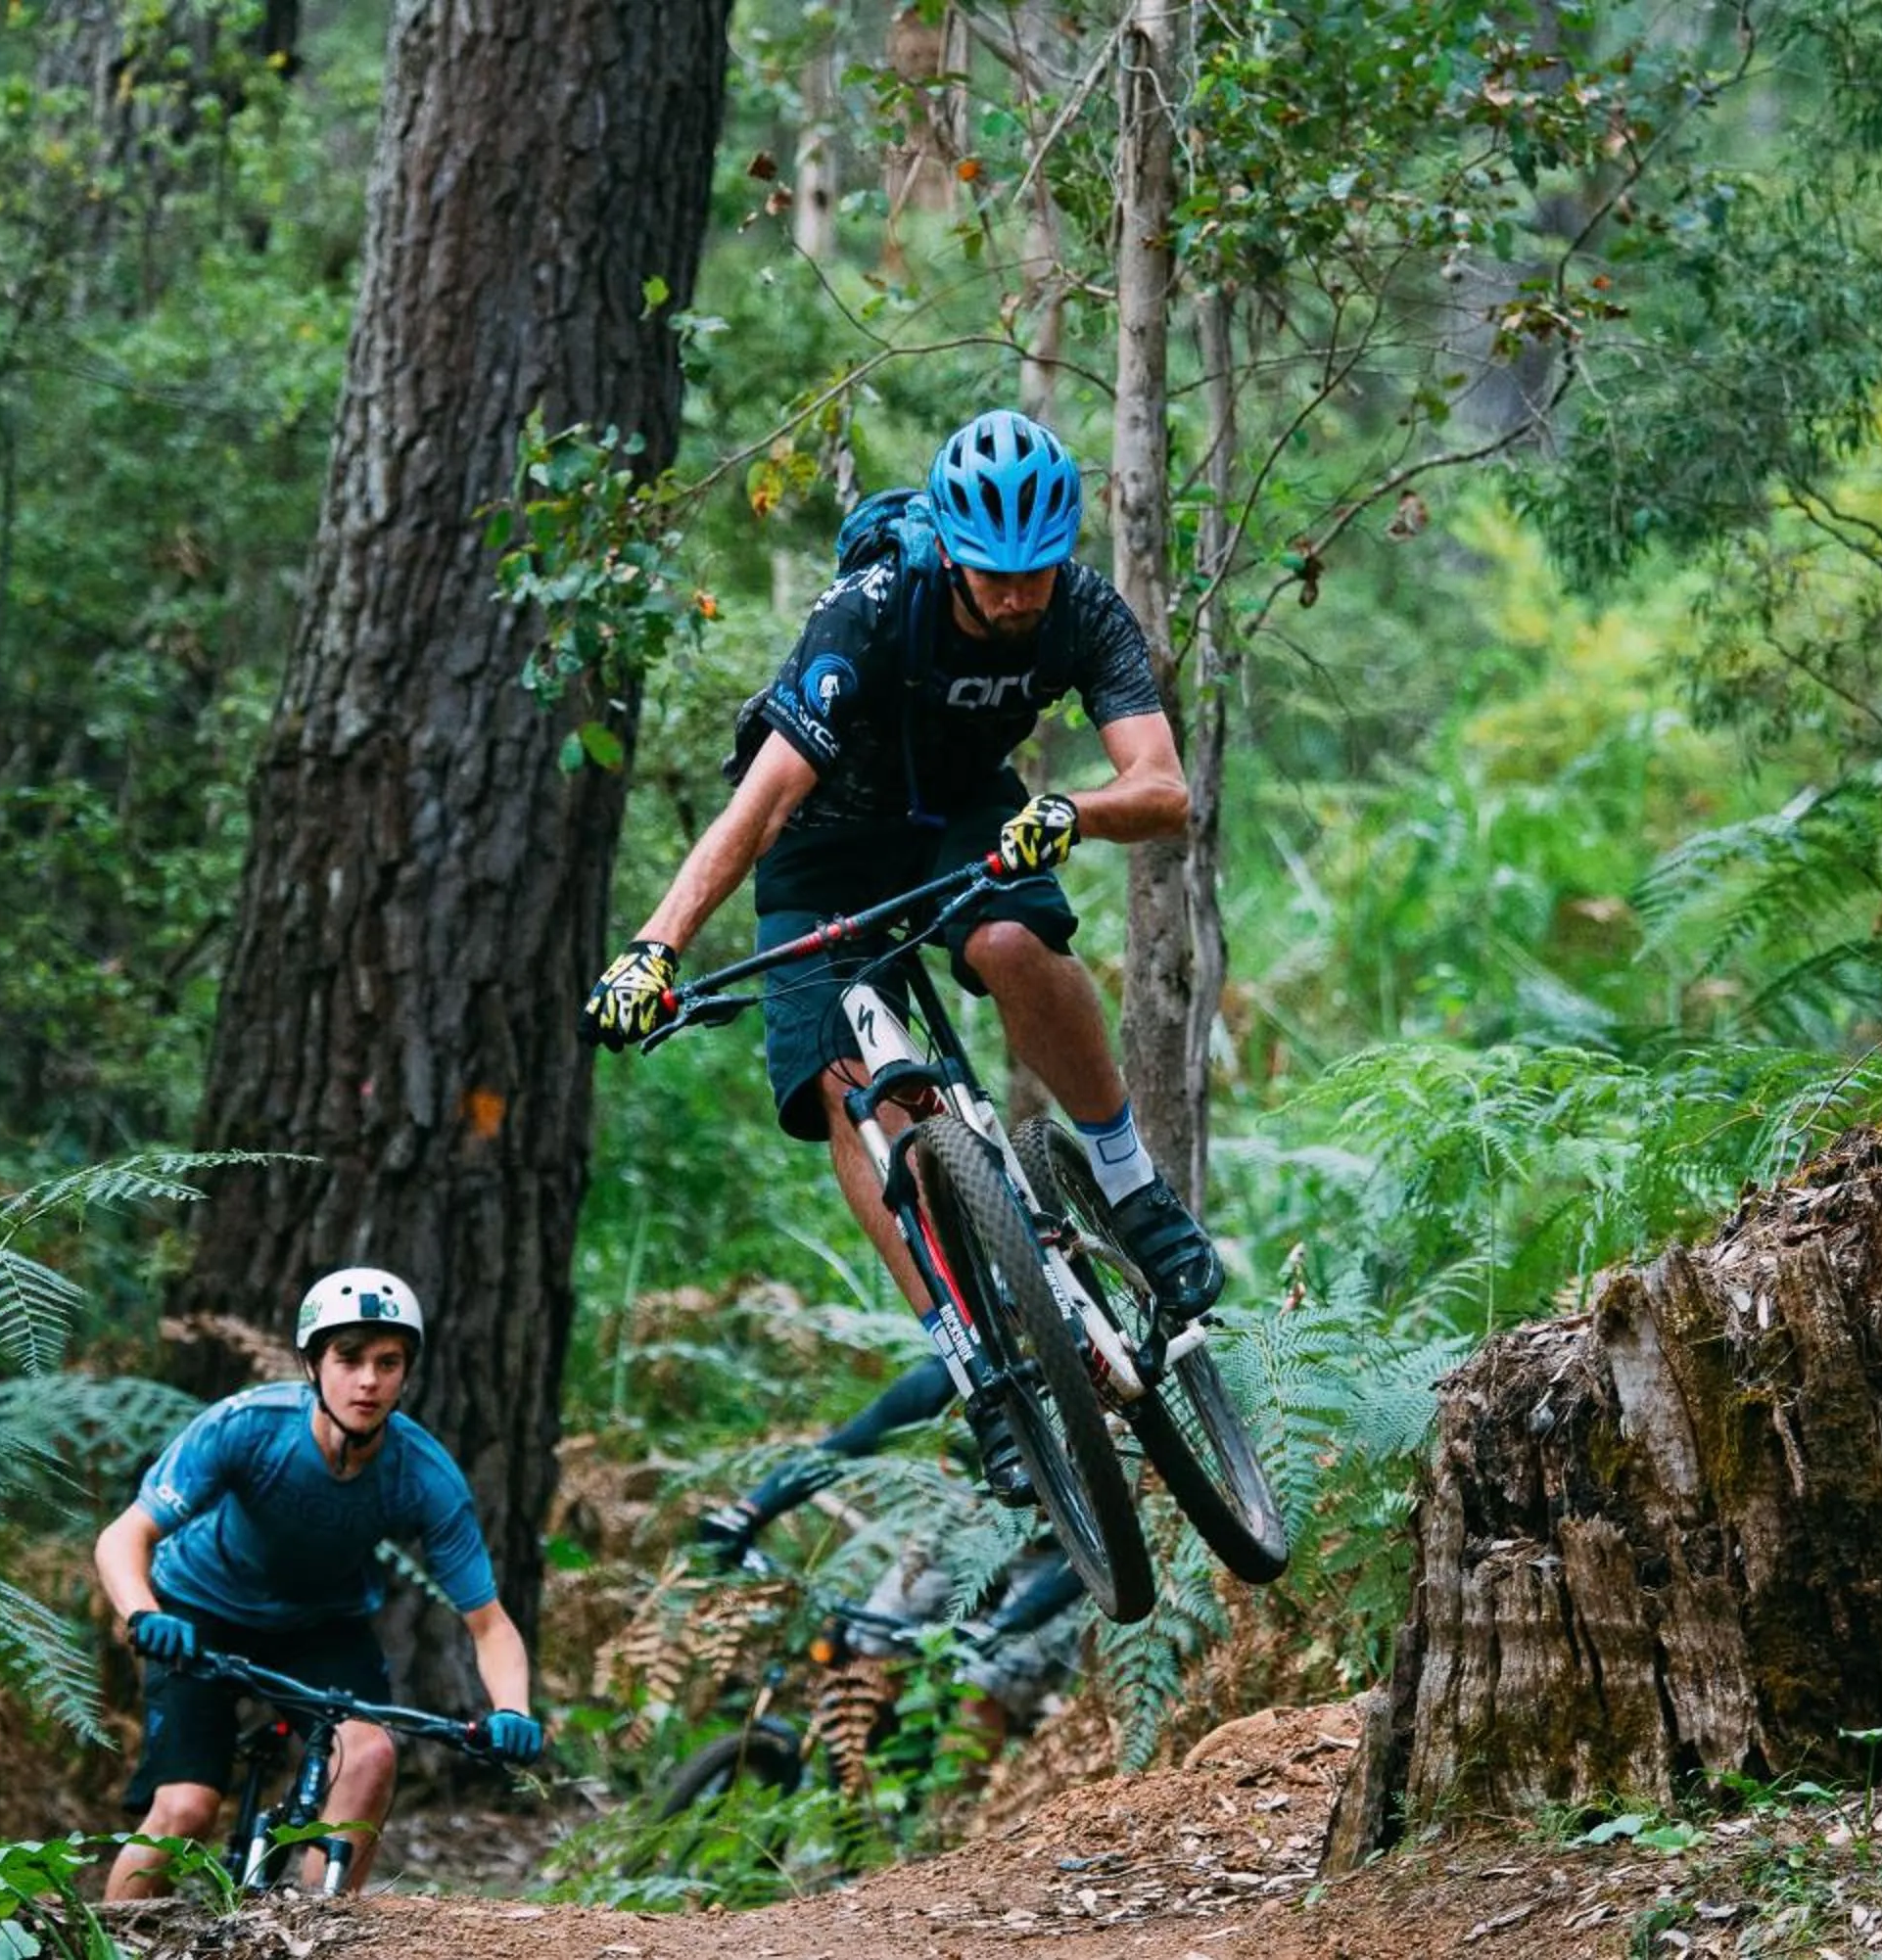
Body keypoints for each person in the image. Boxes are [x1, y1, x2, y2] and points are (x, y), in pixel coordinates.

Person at [582, 408, 1222, 1506]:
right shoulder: (872, 613)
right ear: (952, 555)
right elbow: (764, 803)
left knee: (1016, 936)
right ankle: (980, 1368)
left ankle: (1131, 1187)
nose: (1019, 597)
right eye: (994, 577)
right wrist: (653, 950)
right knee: (848, 1096)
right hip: (822, 845)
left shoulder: (1081, 609)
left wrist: (1071, 812)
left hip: (956, 815)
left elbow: (1164, 790)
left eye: (1036, 573)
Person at [94, 1267, 543, 1899]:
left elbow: (489, 1623)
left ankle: (322, 1925)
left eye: (388, 1363)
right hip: (197, 1610)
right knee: (186, 1811)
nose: (368, 1381)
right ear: (312, 1364)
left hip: (318, 1626)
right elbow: (123, 1537)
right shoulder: (249, 1427)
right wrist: (145, 1615)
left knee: (370, 1757)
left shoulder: (424, 1475)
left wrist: (513, 1711)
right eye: (349, 1358)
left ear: (407, 1374)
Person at [691, 1354, 1089, 1729]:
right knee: (867, 1653)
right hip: (969, 1526)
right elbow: (842, 1450)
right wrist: (748, 1512)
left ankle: (953, 1800)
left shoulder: (1087, 1379)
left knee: (985, 1691)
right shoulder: (954, 1372)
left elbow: (1111, 1548)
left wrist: (1007, 1625)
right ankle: (859, 1792)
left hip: (1062, 1548)